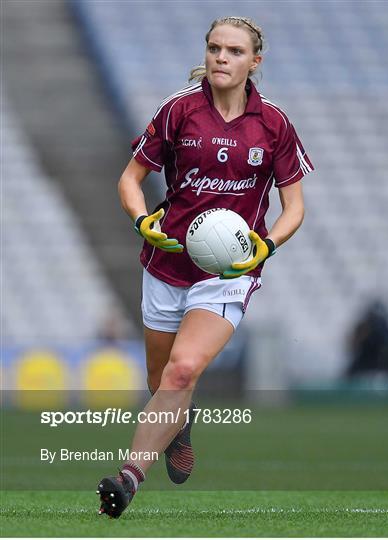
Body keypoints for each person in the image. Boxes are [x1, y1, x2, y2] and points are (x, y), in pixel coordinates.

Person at [97, 15, 314, 518]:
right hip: (165, 265)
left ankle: (128, 479)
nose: (221, 57)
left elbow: (295, 208)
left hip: (228, 274)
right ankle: (181, 427)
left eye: (234, 51)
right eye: (215, 48)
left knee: (183, 371)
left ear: (254, 62)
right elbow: (130, 180)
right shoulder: (178, 111)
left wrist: (266, 247)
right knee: (163, 381)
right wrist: (140, 220)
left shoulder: (274, 124)